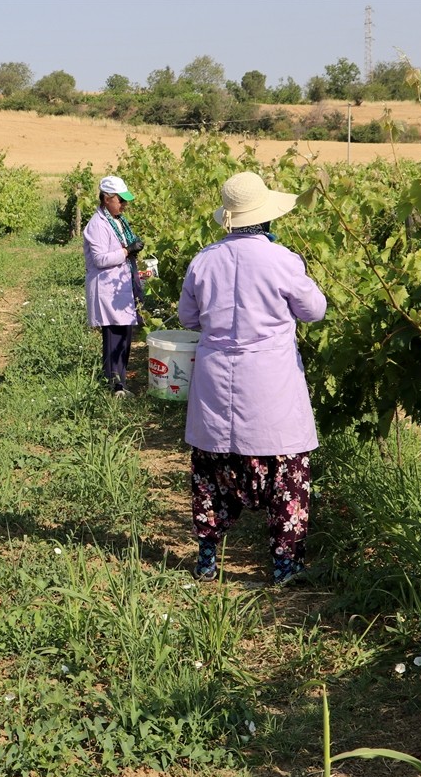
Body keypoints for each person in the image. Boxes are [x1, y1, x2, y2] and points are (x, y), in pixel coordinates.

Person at [177, 171, 327, 585]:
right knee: (285, 474)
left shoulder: (204, 259)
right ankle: (284, 566)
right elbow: (314, 310)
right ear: (266, 217)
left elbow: (187, 317)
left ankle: (207, 560)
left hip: (215, 380)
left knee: (212, 471)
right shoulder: (283, 260)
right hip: (270, 384)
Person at [83, 175, 145, 397]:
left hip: (120, 286)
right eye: (121, 200)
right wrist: (127, 251)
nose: (124, 204)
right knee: (113, 336)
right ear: (107, 199)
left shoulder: (117, 220)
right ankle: (113, 385)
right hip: (107, 288)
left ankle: (121, 383)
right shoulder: (97, 225)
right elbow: (100, 259)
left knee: (125, 334)